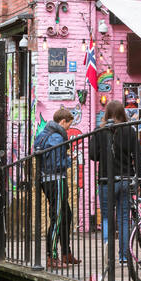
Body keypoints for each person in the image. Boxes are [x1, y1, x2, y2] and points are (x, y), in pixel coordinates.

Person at [88, 100, 141, 264]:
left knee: (106, 217)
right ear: (122, 113)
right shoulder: (130, 130)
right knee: (123, 218)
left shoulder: (99, 130)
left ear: (107, 113)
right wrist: (140, 179)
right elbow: (137, 157)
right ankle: (124, 256)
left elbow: (92, 155)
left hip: (106, 179)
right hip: (126, 178)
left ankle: (108, 248)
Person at [34, 107, 78, 269]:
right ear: (63, 121)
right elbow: (57, 164)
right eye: (68, 125)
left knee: (66, 215)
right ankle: (51, 256)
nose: (68, 128)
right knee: (58, 217)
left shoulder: (42, 135)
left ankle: (66, 253)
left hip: (46, 180)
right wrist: (69, 160)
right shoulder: (57, 138)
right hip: (56, 180)